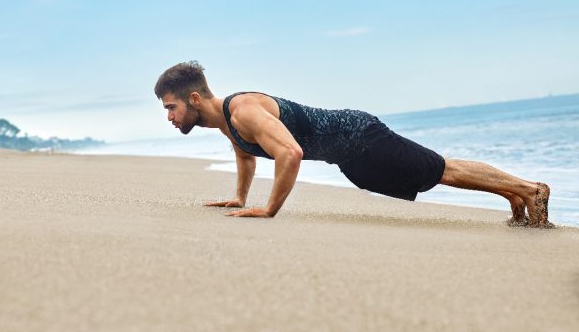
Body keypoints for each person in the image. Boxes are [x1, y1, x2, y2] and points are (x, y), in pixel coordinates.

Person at [154, 61, 552, 228]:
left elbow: (289, 153)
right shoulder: (226, 121)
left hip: (360, 137)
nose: (169, 117)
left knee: (439, 169)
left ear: (193, 99)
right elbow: (244, 153)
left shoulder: (242, 110)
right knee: (433, 176)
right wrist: (240, 198)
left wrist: (269, 210)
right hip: (349, 158)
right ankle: (512, 196)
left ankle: (530, 190)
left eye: (170, 107)